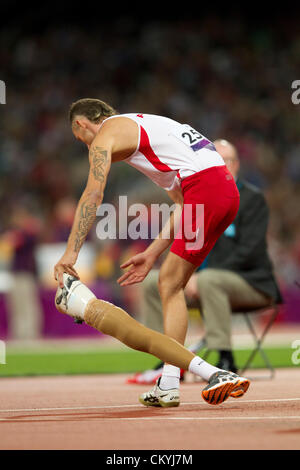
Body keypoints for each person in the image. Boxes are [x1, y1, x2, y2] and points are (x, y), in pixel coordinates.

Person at [53, 98, 250, 406]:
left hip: (206, 189)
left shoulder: (106, 134)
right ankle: (169, 383)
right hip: (225, 192)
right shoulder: (151, 134)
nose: (87, 146)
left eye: (82, 140)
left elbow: (93, 194)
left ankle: (175, 380)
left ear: (82, 124)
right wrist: (153, 253)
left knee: (169, 285)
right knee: (170, 283)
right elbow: (184, 203)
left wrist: (70, 252)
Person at [128, 139, 283, 385]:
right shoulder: (198, 201)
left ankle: (225, 359)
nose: (220, 166)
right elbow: (188, 246)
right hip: (205, 284)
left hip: (251, 284)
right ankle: (168, 358)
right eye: (216, 160)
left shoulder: (251, 199)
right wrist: (186, 276)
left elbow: (250, 251)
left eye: (226, 161)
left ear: (237, 165)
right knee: (154, 284)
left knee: (209, 280)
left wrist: (198, 278)